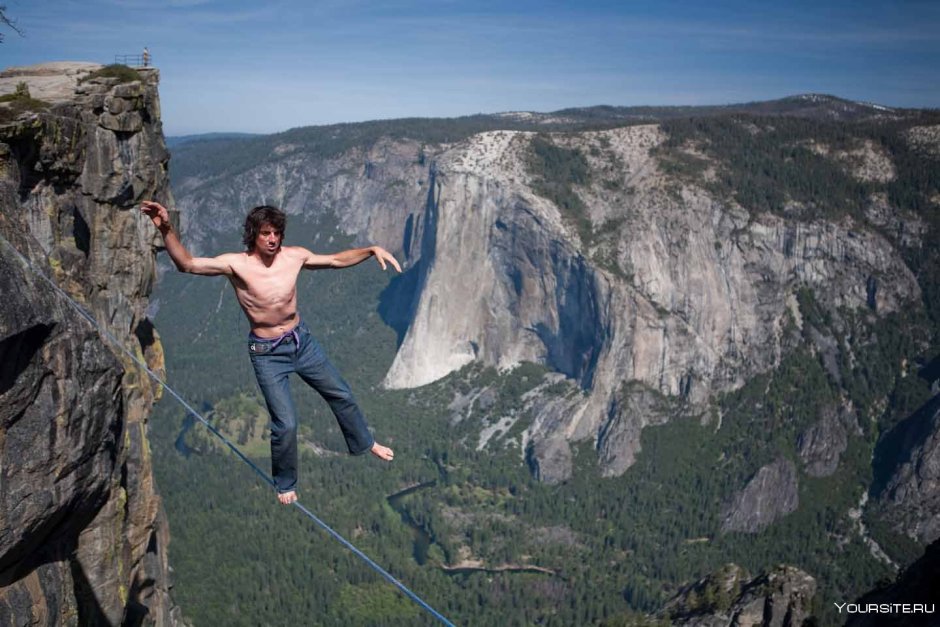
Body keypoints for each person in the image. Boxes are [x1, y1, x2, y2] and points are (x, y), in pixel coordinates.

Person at [141, 200, 398, 504]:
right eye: (266, 233)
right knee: (285, 423)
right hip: (267, 353)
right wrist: (166, 228)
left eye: (276, 232)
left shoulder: (294, 257)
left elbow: (335, 261)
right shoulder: (236, 265)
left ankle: (365, 443)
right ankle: (285, 483)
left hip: (301, 342)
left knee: (340, 392)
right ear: (254, 235)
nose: (273, 239)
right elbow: (188, 264)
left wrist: (370, 250)